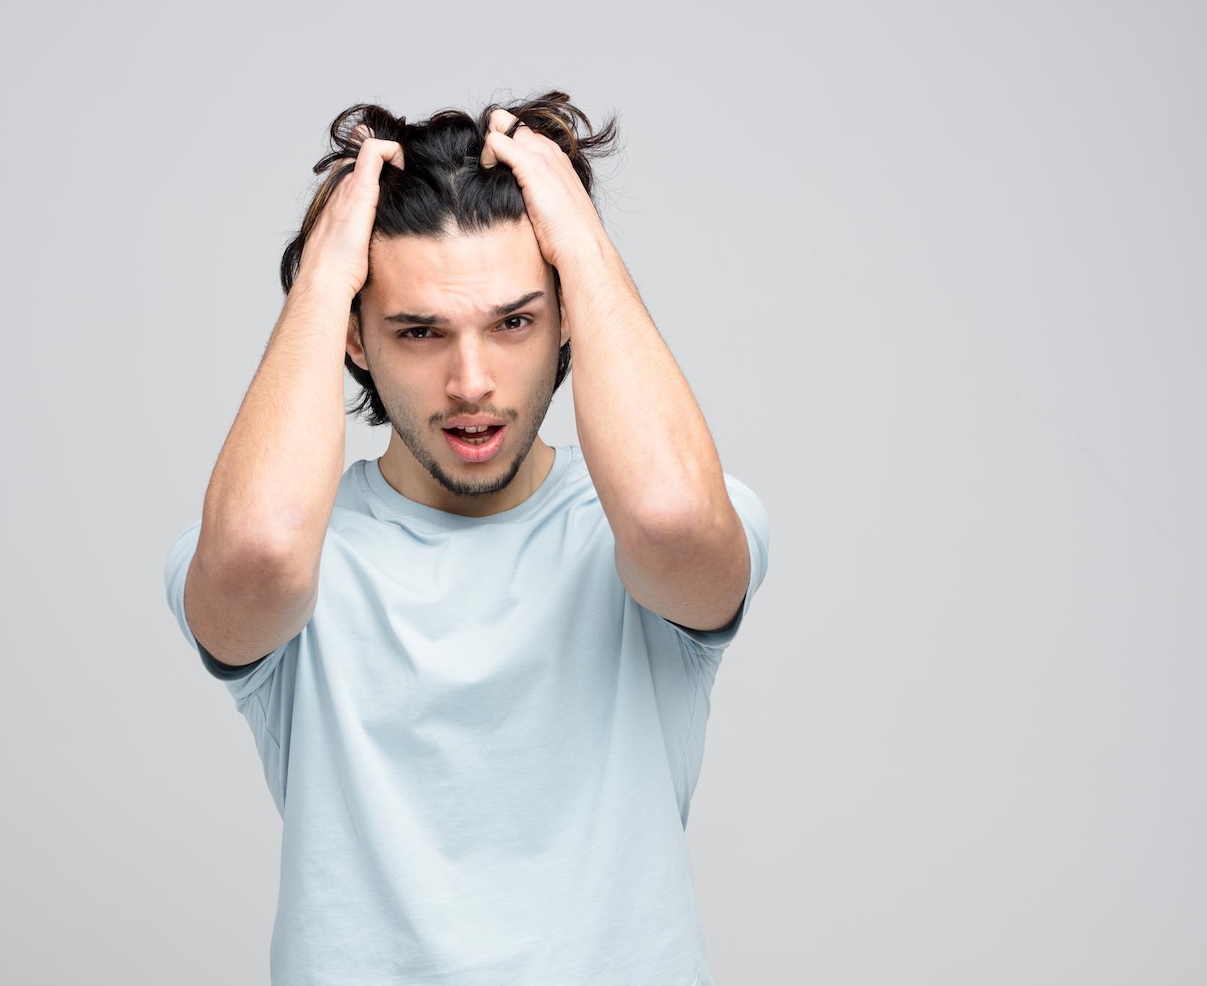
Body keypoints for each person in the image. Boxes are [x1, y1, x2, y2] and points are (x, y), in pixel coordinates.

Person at [164, 91, 770, 985]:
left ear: (566, 316)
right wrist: (323, 281)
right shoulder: (297, 553)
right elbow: (258, 553)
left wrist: (584, 246)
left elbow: (673, 522)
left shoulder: (640, 524)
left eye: (515, 321)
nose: (471, 381)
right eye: (418, 332)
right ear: (357, 340)